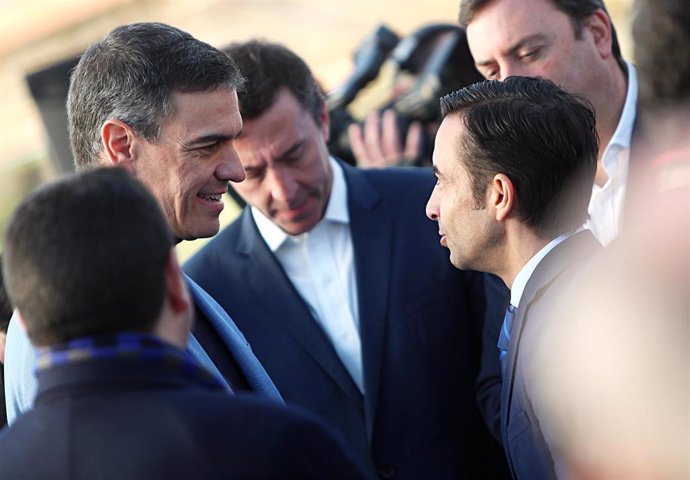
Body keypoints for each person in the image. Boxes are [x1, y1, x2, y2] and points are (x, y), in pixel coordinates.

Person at [184, 39, 507, 479]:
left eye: (293, 155)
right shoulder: (204, 291)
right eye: (253, 173)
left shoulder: (431, 208)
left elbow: (503, 380)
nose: (283, 190)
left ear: (321, 118)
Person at [0, 167, 365, 479]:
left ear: (26, 324)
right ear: (176, 286)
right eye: (208, 145)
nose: (234, 170)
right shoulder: (269, 446)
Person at [4, 22, 281, 425]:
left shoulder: (156, 275)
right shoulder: (60, 327)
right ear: (121, 145)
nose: (236, 171)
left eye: (233, 141)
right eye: (207, 146)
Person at [426, 76, 601, 479]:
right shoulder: (564, 299)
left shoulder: (579, 331)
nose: (432, 207)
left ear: (499, 196)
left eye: (442, 180)